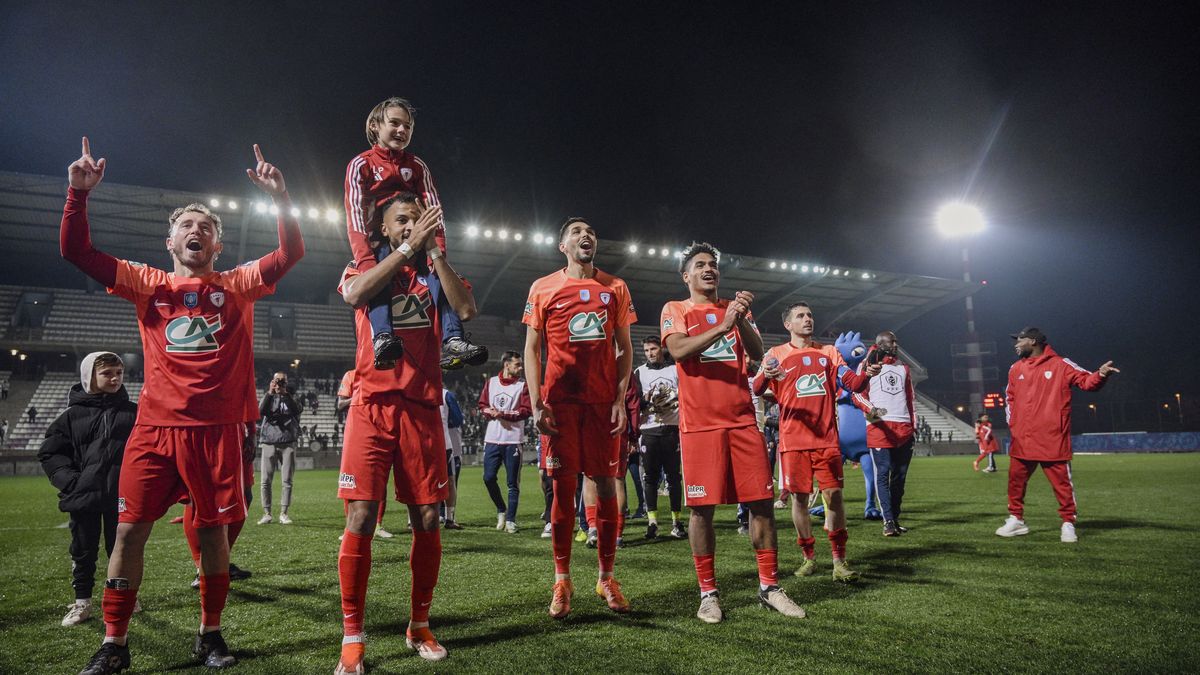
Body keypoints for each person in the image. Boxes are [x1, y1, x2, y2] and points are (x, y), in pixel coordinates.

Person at [61, 138, 303, 673]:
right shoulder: (148, 284)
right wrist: (77, 195)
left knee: (213, 533)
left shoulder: (236, 285)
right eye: (188, 226)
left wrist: (282, 199)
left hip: (216, 431)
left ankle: (210, 635)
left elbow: (290, 256)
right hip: (155, 430)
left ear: (217, 245)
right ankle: (114, 643)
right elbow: (79, 253)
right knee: (128, 531)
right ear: (169, 239)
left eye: (207, 228)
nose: (197, 232)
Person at [335, 190, 477, 669]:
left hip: (421, 409)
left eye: (418, 219)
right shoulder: (369, 265)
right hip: (372, 407)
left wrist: (433, 250)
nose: (411, 226)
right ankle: (352, 635)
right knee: (360, 520)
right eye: (402, 220)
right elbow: (355, 294)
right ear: (384, 229)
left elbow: (467, 310)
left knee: (429, 519)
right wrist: (402, 249)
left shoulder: (434, 277)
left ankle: (419, 623)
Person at [661, 242, 805, 624]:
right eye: (700, 265)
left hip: (743, 420)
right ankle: (708, 593)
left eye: (713, 265)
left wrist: (738, 317)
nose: (709, 269)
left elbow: (758, 352)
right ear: (686, 275)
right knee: (701, 510)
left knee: (760, 503)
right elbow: (677, 350)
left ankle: (770, 587)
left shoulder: (736, 310)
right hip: (700, 426)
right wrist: (722, 325)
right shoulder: (676, 309)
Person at [523, 217, 636, 619]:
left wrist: (620, 399)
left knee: (605, 484)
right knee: (563, 486)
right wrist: (537, 403)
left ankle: (606, 576)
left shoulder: (615, 287)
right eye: (576, 232)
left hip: (602, 404)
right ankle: (562, 579)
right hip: (560, 406)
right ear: (562, 246)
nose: (586, 236)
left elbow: (625, 349)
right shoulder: (542, 288)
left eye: (591, 232)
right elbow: (532, 350)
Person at [344, 96, 486, 371]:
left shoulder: (418, 166)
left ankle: (454, 340)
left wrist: (438, 252)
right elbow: (354, 217)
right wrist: (365, 260)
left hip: (419, 241)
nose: (402, 131)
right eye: (394, 123)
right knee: (380, 279)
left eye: (407, 126)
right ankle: (383, 336)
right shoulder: (361, 165)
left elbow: (434, 210)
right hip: (381, 243)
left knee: (438, 277)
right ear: (375, 125)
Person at [752, 304, 877, 581]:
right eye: (801, 316)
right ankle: (808, 557)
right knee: (799, 499)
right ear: (788, 325)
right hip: (793, 440)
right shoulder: (775, 355)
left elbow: (852, 384)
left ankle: (839, 561)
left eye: (809, 315)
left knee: (833, 496)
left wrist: (866, 372)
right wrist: (766, 375)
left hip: (826, 440)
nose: (808, 319)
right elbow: (757, 388)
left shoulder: (829, 352)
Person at [38, 352, 138, 627]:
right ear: (89, 376)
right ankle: (82, 603)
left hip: (123, 497)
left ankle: (124, 598)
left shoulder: (134, 412)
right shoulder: (71, 416)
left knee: (122, 549)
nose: (115, 378)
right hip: (84, 496)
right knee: (83, 551)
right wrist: (71, 482)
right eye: (107, 373)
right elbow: (51, 454)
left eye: (119, 372)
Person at [996, 327, 1118, 543]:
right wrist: (1013, 424)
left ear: (1033, 341)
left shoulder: (1061, 364)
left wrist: (1100, 374)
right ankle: (1016, 520)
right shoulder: (1015, 368)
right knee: (1015, 482)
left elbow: (1086, 382)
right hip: (1022, 438)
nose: (1016, 344)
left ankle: (1068, 523)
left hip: (1052, 438)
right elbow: (1009, 398)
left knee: (1062, 485)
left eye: (1019, 340)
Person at [851, 331, 917, 537]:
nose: (896, 345)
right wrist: (873, 412)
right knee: (883, 473)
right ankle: (887, 521)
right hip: (879, 426)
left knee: (899, 479)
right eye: (892, 341)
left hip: (903, 427)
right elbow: (856, 394)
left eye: (896, 341)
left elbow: (910, 398)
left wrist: (912, 426)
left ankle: (894, 518)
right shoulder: (866, 364)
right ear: (880, 344)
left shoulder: (903, 368)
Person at [633, 336, 686, 540]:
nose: (650, 353)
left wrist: (671, 400)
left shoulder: (675, 369)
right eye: (646, 350)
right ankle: (652, 522)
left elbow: (685, 395)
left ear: (662, 349)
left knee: (674, 478)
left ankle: (676, 521)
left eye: (653, 349)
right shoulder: (639, 372)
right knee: (650, 478)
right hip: (649, 430)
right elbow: (634, 401)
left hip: (672, 429)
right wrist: (647, 404)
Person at [478, 351, 532, 532]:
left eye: (521, 364)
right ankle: (501, 509)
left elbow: (525, 411)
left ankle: (510, 520)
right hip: (492, 439)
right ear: (506, 365)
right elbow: (482, 406)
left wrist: (501, 414)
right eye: (517, 364)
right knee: (488, 477)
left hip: (513, 440)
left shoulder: (523, 386)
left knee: (512, 483)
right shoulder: (491, 383)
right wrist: (489, 413)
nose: (521, 367)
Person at [257, 372, 301, 525]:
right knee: (265, 480)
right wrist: (270, 392)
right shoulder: (269, 395)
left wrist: (285, 394)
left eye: (283, 381)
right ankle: (267, 513)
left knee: (287, 480)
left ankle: (284, 513)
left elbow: (297, 410)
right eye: (277, 380)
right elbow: (260, 411)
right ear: (272, 381)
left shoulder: (291, 395)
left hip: (287, 441)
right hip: (269, 441)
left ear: (287, 382)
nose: (280, 383)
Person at [440, 386, 465, 530]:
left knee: (418, 481)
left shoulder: (413, 390)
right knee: (450, 481)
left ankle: (412, 520)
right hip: (444, 444)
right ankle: (449, 518)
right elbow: (457, 419)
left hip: (427, 444)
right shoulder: (446, 394)